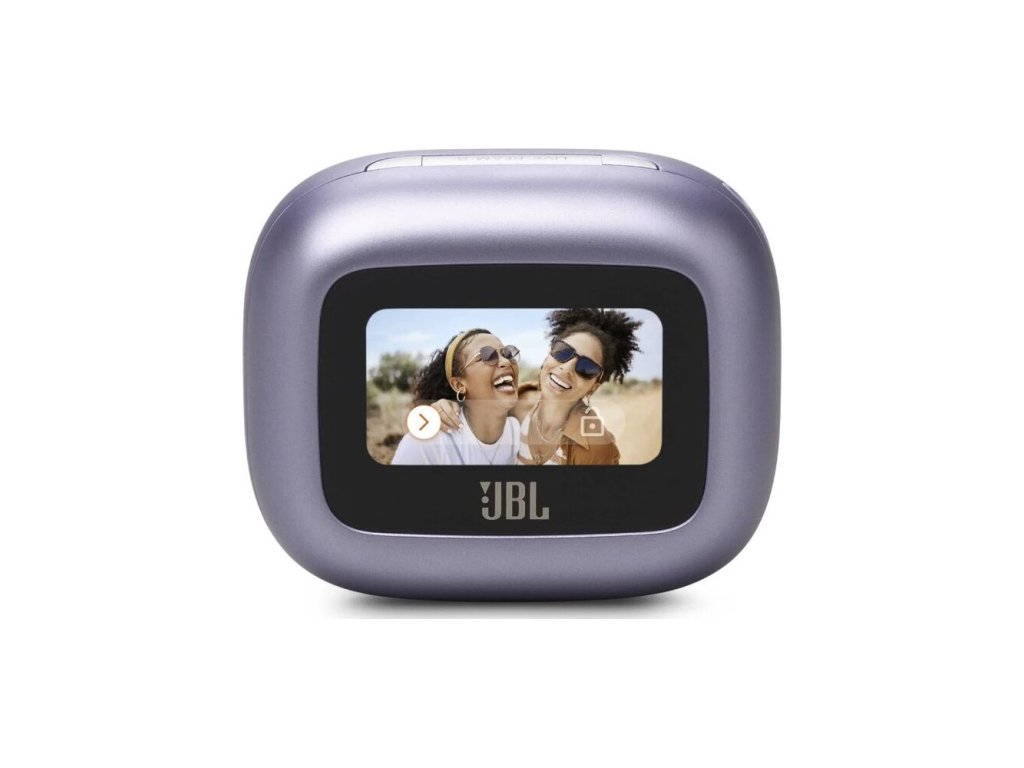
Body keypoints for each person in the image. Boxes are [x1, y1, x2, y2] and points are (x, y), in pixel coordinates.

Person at [432, 309, 642, 466]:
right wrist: (442, 407)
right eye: (562, 352)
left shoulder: (596, 447)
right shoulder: (516, 403)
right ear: (548, 356)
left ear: (593, 386)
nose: (567, 368)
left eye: (586, 367)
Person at [391, 329, 522, 465]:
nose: (506, 361)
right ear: (459, 385)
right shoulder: (425, 444)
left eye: (507, 353)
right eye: (487, 356)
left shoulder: (520, 432)